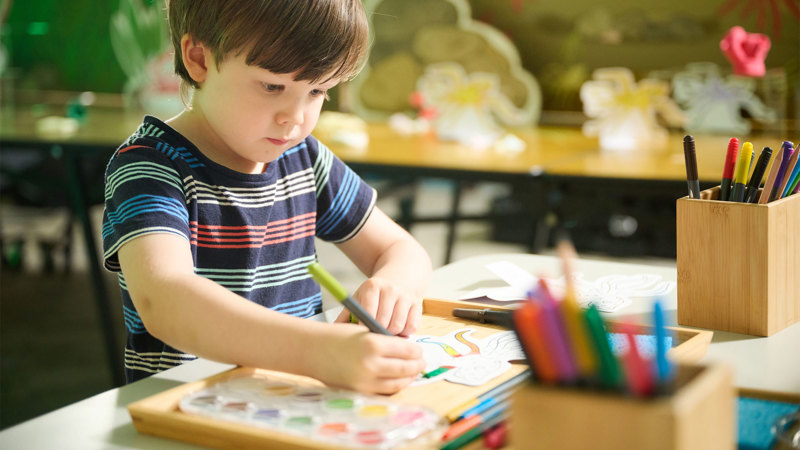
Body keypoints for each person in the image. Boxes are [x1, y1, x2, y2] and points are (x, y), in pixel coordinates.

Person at [101, 0, 431, 394]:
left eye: (317, 90)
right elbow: (166, 300)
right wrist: (318, 352)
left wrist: (393, 286)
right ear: (199, 58)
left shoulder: (303, 159)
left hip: (292, 403)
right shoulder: (150, 167)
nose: (295, 117)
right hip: (186, 410)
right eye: (273, 86)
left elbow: (400, 248)